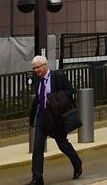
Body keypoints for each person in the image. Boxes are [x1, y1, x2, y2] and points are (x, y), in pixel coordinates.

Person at [27, 55, 82, 184]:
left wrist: (53, 98)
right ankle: (37, 178)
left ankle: (77, 163)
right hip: (42, 117)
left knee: (62, 143)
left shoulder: (57, 76)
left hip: (55, 116)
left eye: (38, 67)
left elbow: (70, 91)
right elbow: (38, 98)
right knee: (38, 148)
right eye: (34, 68)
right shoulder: (38, 80)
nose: (36, 70)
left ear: (45, 65)